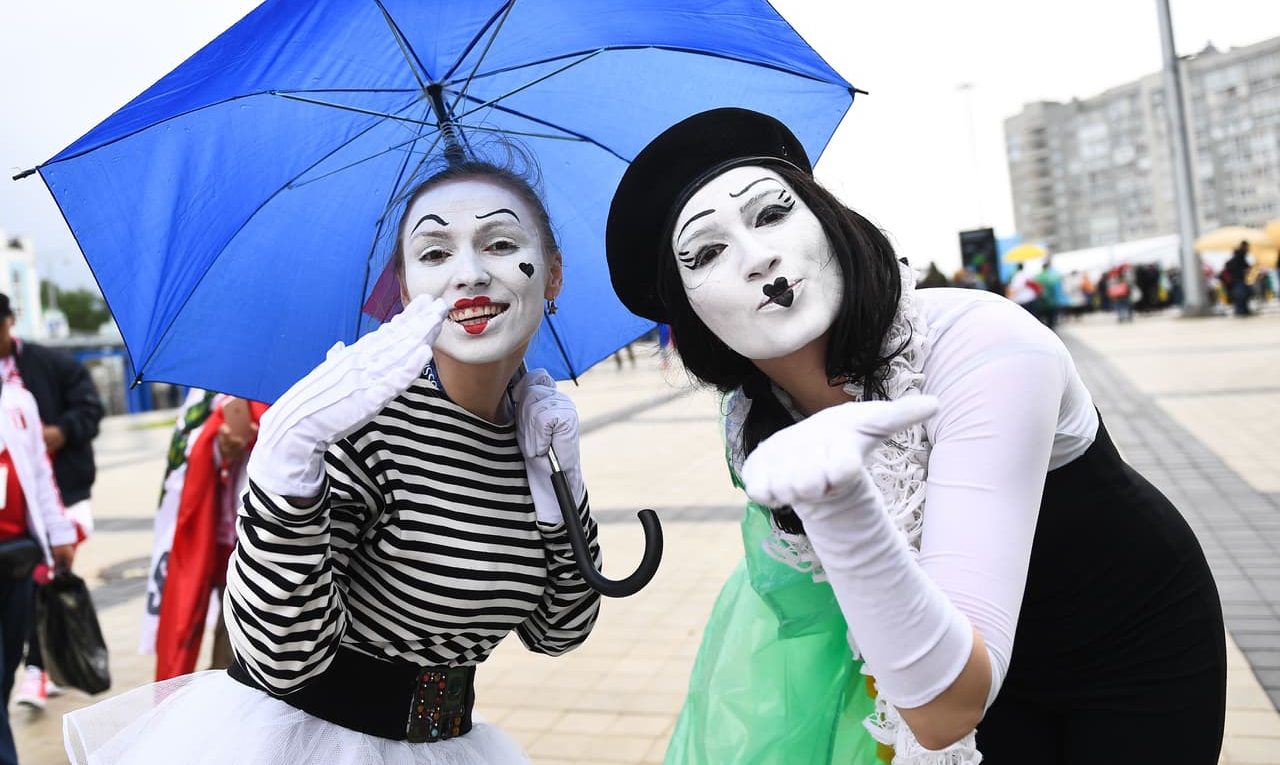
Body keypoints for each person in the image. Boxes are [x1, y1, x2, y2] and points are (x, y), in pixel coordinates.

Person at [605, 108, 1225, 764]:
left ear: (829, 221)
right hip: (947, 672)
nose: (758, 257)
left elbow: (947, 712)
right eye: (706, 252)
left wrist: (840, 501)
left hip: (1126, 649)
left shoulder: (985, 342)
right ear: (689, 312)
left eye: (770, 214)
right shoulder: (752, 423)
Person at [64, 155, 603, 764]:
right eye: (434, 254)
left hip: (452, 744)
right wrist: (287, 453)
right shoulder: (365, 427)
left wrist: (562, 488)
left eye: (501, 243)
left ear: (552, 275)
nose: (470, 274)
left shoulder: (533, 435)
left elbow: (560, 629)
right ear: (404, 289)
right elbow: (280, 657)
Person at [0, 293, 102, 710]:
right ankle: (35, 671)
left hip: (58, 496)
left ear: (11, 321)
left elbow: (91, 408)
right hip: (19, 511)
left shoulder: (48, 364)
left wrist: (62, 431)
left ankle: (39, 669)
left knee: (45, 580)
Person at [141, 391, 269, 679]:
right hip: (222, 541)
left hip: (268, 545)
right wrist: (219, 448)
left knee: (243, 666)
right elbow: (188, 452)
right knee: (230, 664)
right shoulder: (212, 388)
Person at [0, 377, 77, 765]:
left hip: (17, 555)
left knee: (8, 662)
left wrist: (60, 532)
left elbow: (40, 473)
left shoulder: (19, 399)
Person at [1223, 241, 1253, 316]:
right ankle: (1241, 310)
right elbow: (1242, 267)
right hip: (1238, 279)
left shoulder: (1240, 255)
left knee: (1241, 295)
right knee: (1241, 295)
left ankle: (1241, 310)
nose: (1248, 249)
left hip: (1237, 279)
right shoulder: (1240, 255)